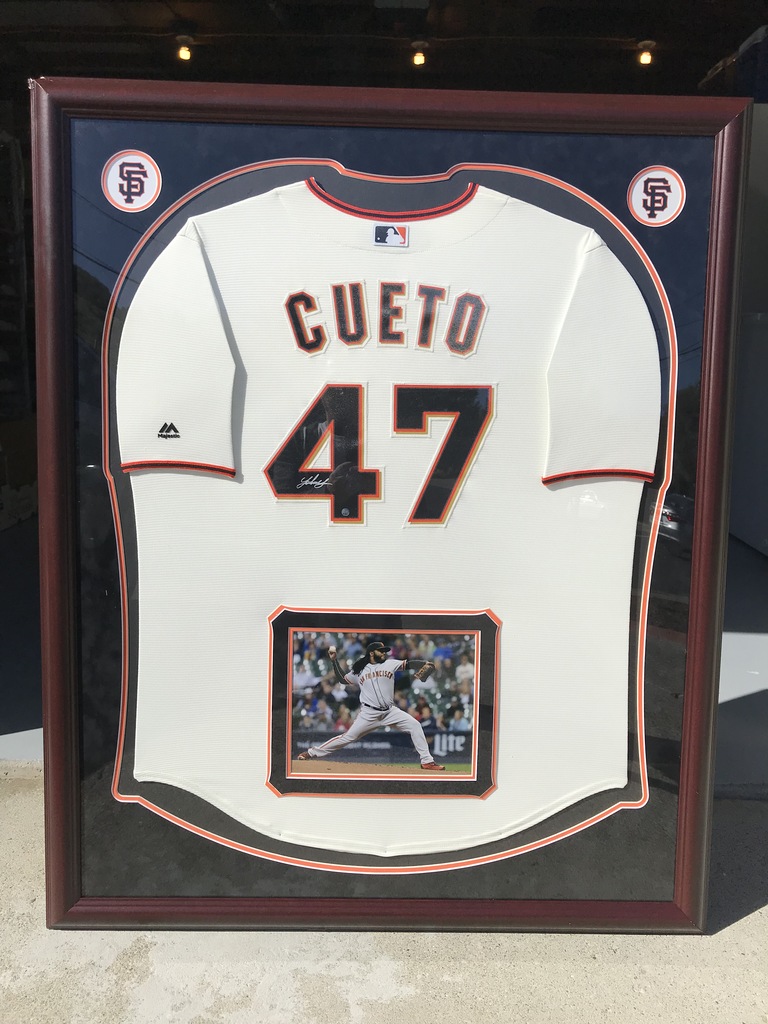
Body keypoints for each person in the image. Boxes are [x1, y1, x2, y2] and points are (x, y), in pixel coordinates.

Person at [297, 641, 445, 770]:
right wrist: (334, 661)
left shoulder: (390, 663)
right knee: (347, 738)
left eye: (385, 651)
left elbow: (409, 664)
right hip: (369, 713)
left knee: (415, 725)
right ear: (372, 653)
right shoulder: (360, 670)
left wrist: (424, 664)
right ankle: (311, 752)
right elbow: (343, 680)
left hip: (390, 711)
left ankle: (427, 761)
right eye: (381, 651)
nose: (384, 653)